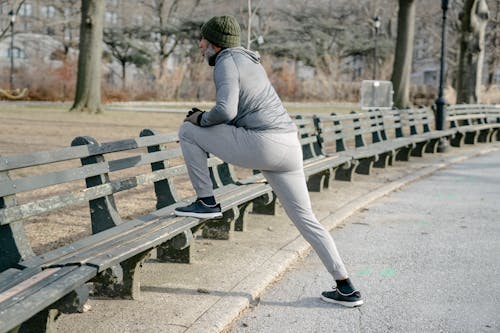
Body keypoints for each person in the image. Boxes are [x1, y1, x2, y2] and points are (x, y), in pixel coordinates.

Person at [174, 15, 363, 308]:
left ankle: (206, 201)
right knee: (307, 220)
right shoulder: (250, 61)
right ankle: (346, 286)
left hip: (264, 144)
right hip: (289, 145)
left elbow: (225, 111)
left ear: (215, 44)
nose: (200, 45)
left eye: (203, 40)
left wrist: (201, 118)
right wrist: (209, 118)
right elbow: (242, 110)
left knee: (188, 129)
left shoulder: (225, 61)